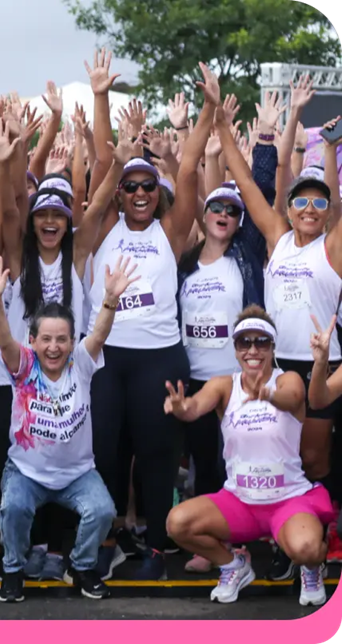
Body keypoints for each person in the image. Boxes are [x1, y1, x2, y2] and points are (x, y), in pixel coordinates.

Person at [86, 59, 217, 580]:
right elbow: (104, 160)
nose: (140, 193)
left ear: (157, 194)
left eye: (148, 187)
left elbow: (187, 169)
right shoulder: (102, 229)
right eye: (131, 186)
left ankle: (158, 547)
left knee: (158, 453)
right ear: (119, 193)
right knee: (106, 453)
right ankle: (110, 538)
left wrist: (207, 109)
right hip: (107, 357)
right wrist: (101, 97)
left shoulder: (170, 231)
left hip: (159, 357)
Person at [216, 96, 342, 582]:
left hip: (322, 367)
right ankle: (289, 539)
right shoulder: (278, 236)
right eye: (300, 201)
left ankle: (316, 538)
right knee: (283, 456)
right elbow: (246, 183)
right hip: (277, 365)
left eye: (318, 202)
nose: (309, 208)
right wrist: (220, 121)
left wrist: (329, 150)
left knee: (314, 458)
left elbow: (337, 202)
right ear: (287, 209)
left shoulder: (333, 246)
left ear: (327, 211)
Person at [0, 253, 135, 602]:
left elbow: (99, 334)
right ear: (33, 341)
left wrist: (110, 300)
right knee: (13, 508)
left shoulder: (80, 363)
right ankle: (13, 569)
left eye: (62, 339)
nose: (54, 347)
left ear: (71, 341)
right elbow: (4, 340)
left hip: (77, 473)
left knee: (103, 510)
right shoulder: (24, 365)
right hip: (26, 472)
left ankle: (81, 567)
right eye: (46, 339)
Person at [166, 307, 332, 607]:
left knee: (307, 549)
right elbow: (195, 407)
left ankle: (311, 568)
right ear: (235, 348)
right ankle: (233, 565)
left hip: (287, 500)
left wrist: (268, 395)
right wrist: (181, 408)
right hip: (239, 501)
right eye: (245, 342)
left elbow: (293, 397)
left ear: (272, 347)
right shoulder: (224, 385)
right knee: (177, 523)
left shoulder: (287, 379)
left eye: (261, 342)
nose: (253, 350)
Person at [175, 184, 266, 573]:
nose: (224, 214)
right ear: (205, 213)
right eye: (216, 207)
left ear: (240, 221)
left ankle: (242, 540)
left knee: (237, 460)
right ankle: (212, 541)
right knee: (204, 463)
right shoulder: (186, 264)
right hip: (195, 378)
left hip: (236, 380)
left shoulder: (245, 256)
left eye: (232, 210)